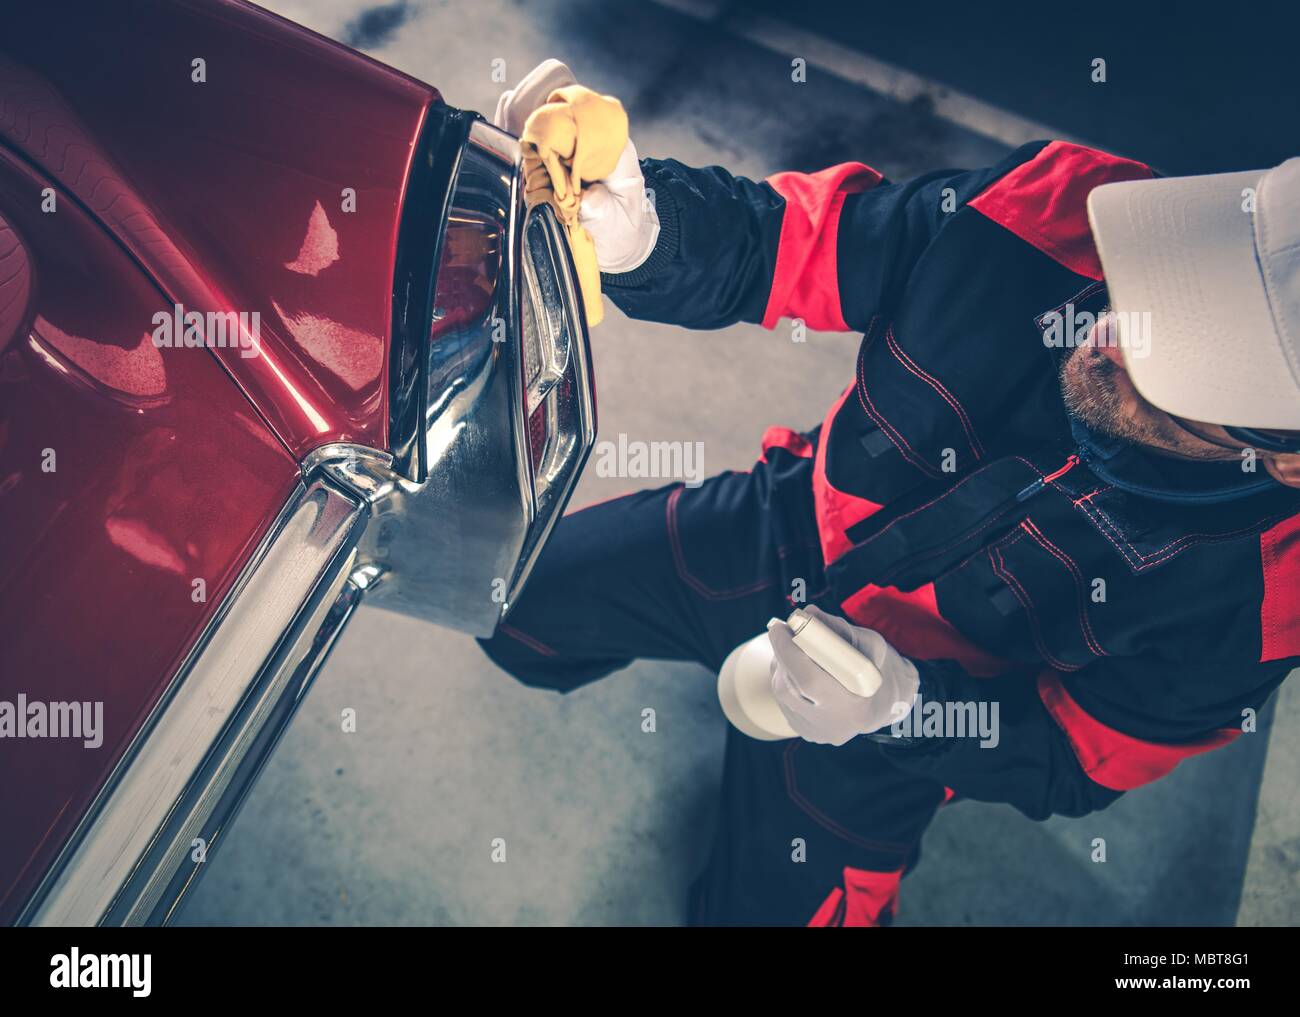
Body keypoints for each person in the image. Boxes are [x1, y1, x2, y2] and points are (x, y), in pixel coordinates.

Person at [480, 60, 1300, 926]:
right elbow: (801, 243)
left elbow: (1073, 757)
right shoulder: (1059, 206)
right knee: (511, 607)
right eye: (1178, 273)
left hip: (892, 719)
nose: (1115, 330)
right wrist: (648, 231)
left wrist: (906, 709)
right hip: (787, 528)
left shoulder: (1268, 598)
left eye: (1187, 355)